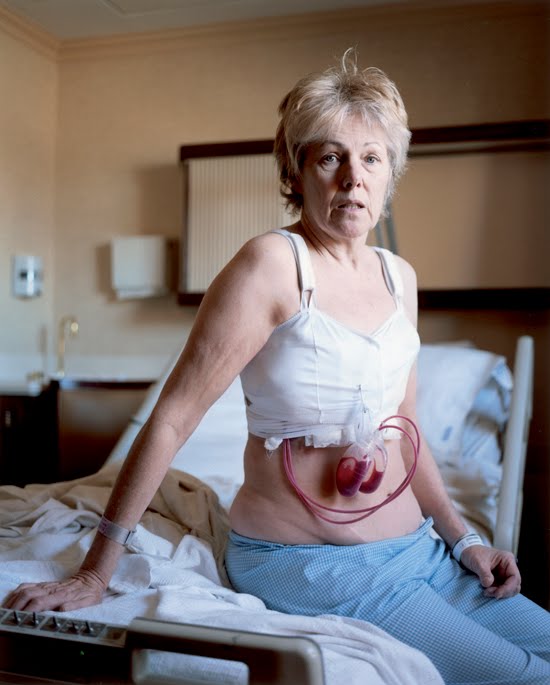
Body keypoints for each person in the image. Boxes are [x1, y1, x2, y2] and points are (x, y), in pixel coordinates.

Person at [6, 50, 550, 684]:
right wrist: (95, 572)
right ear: (297, 171)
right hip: (314, 566)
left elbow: (406, 428)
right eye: (331, 158)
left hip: (421, 554)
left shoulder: (399, 277)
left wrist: (463, 540)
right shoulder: (270, 265)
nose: (353, 179)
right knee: (525, 676)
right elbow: (173, 418)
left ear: (391, 174)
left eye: (372, 159)